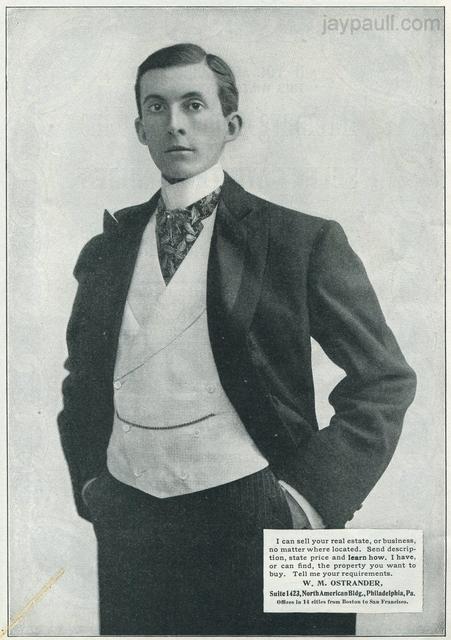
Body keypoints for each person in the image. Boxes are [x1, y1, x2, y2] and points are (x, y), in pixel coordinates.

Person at [57, 43, 416, 636]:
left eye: (193, 104)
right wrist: (94, 484)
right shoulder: (106, 251)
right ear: (140, 128)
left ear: (231, 124)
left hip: (264, 512)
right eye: (157, 107)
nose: (175, 123)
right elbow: (83, 378)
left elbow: (384, 380)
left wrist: (308, 499)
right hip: (133, 523)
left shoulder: (301, 240)